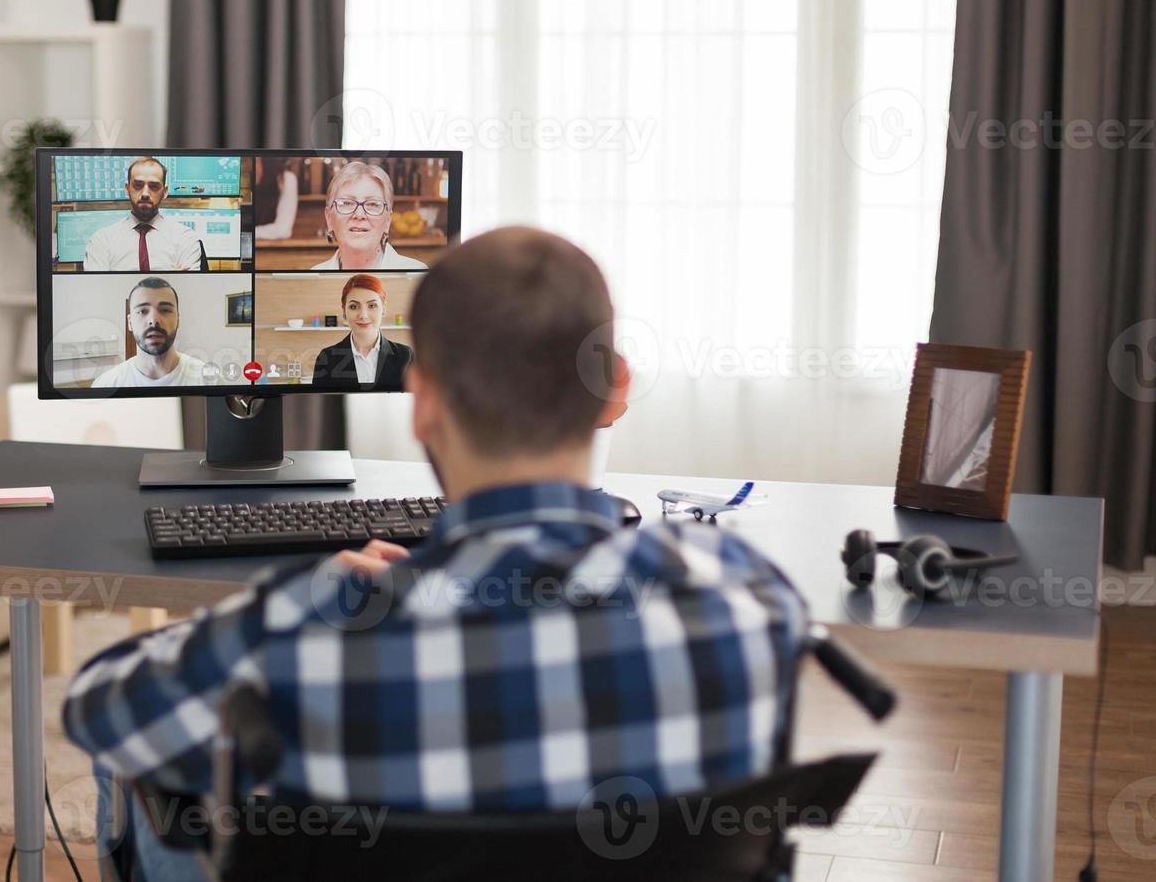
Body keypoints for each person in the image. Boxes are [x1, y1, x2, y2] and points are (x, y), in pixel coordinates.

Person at [64, 227, 807, 879]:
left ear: (420, 398)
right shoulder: (753, 599)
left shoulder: (308, 630)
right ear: (617, 388)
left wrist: (276, 611)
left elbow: (97, 711)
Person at [81, 157, 204, 272]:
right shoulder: (102, 240)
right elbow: (96, 290)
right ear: (127, 189)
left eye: (154, 186)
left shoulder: (185, 238)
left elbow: (187, 289)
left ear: (165, 192)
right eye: (138, 185)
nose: (145, 193)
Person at [91, 277, 212, 389]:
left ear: (178, 320)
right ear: (130, 322)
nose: (153, 320)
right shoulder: (106, 385)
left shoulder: (208, 380)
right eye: (142, 311)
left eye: (165, 310)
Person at [309, 161, 427, 270]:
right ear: (329, 218)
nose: (359, 215)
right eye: (347, 203)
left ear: (387, 221)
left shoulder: (418, 276)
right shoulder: (312, 279)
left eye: (373, 204)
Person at [310, 273, 413, 390]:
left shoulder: (406, 356)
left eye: (372, 305)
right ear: (344, 310)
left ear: (383, 308)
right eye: (354, 307)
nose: (363, 315)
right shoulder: (326, 359)